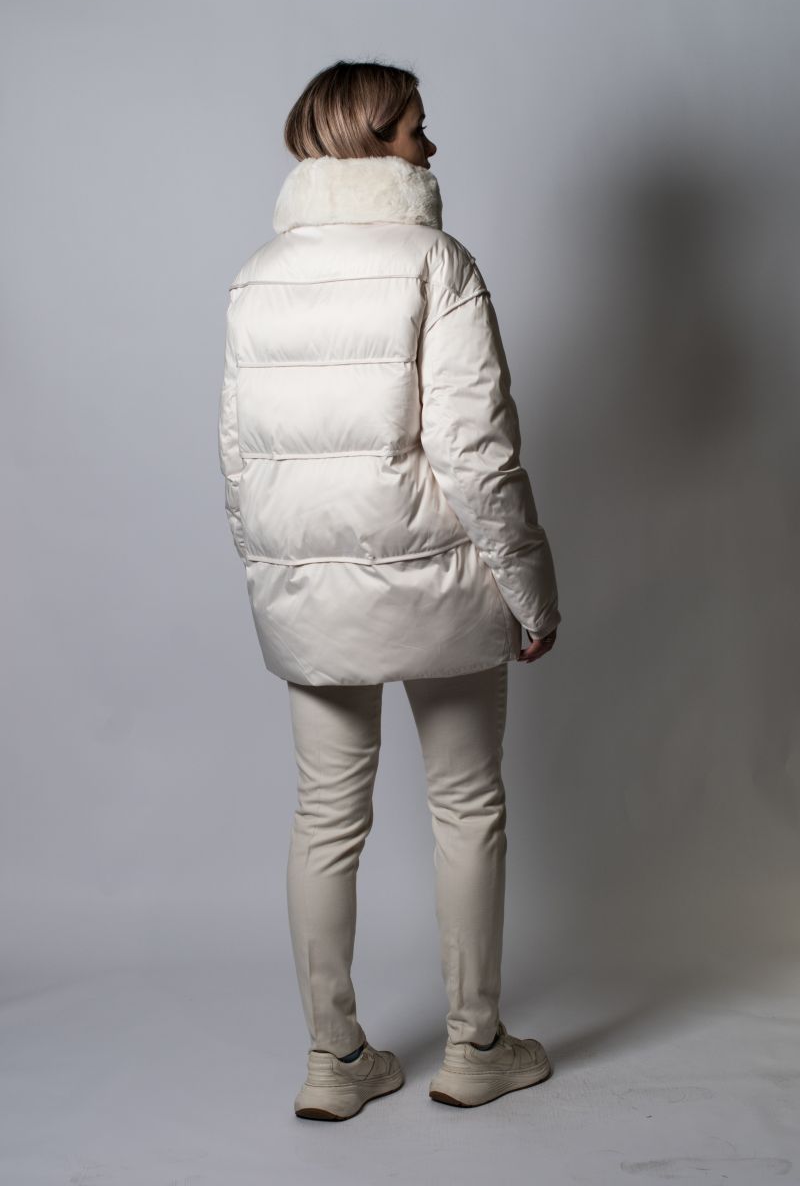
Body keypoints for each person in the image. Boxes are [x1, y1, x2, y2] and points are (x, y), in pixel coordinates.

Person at [218, 59, 562, 1120]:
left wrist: (272, 579)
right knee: (465, 804)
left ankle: (334, 1062)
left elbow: (238, 458)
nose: (430, 144)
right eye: (416, 127)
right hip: (441, 585)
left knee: (325, 818)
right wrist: (531, 590)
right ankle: (476, 1047)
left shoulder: (258, 275)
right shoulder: (435, 262)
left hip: (309, 596)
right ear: (372, 138)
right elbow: (477, 451)